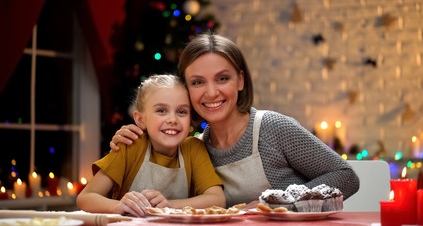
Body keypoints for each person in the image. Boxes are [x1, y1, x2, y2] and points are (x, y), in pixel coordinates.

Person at [110, 33, 360, 208]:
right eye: (197, 82)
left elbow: (346, 175)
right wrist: (133, 141)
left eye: (222, 78)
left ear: (240, 80)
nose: (211, 93)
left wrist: (276, 204)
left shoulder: (273, 128)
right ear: (186, 89)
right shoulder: (194, 148)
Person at [77, 75, 225, 217]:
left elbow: (218, 200)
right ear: (140, 119)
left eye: (181, 111)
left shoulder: (194, 149)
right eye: (161, 110)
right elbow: (85, 198)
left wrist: (170, 206)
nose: (173, 119)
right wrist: (116, 206)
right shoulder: (131, 145)